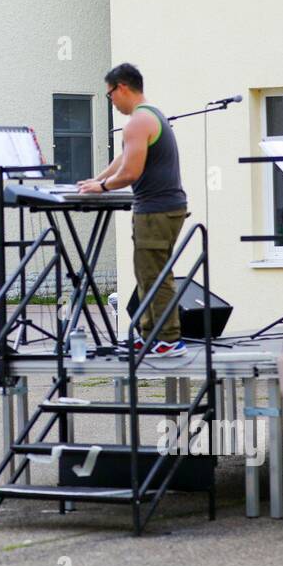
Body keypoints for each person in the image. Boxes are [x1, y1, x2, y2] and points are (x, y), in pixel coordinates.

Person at [80, 63, 189, 358]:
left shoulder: (138, 122)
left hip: (156, 210)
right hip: (165, 208)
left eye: (110, 95)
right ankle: (149, 334)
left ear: (122, 88)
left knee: (154, 275)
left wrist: (101, 189)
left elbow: (130, 172)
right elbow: (123, 159)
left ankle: (167, 339)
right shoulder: (149, 116)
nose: (111, 101)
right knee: (147, 273)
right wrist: (97, 179)